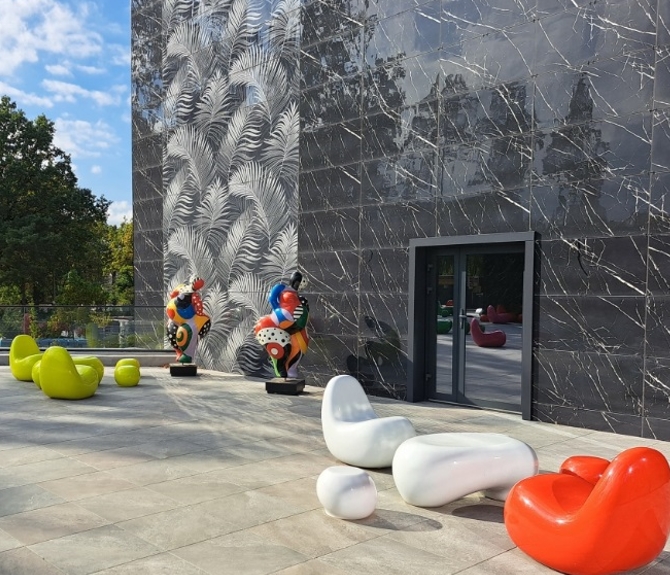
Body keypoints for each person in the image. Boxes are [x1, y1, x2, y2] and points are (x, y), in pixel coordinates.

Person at [254, 271, 309, 379]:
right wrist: (278, 310)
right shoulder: (281, 288)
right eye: (297, 282)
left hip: (295, 324)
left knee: (298, 344)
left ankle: (291, 368)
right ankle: (280, 367)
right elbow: (272, 298)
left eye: (300, 283)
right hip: (283, 316)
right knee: (280, 345)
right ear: (293, 280)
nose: (298, 285)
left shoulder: (298, 296)